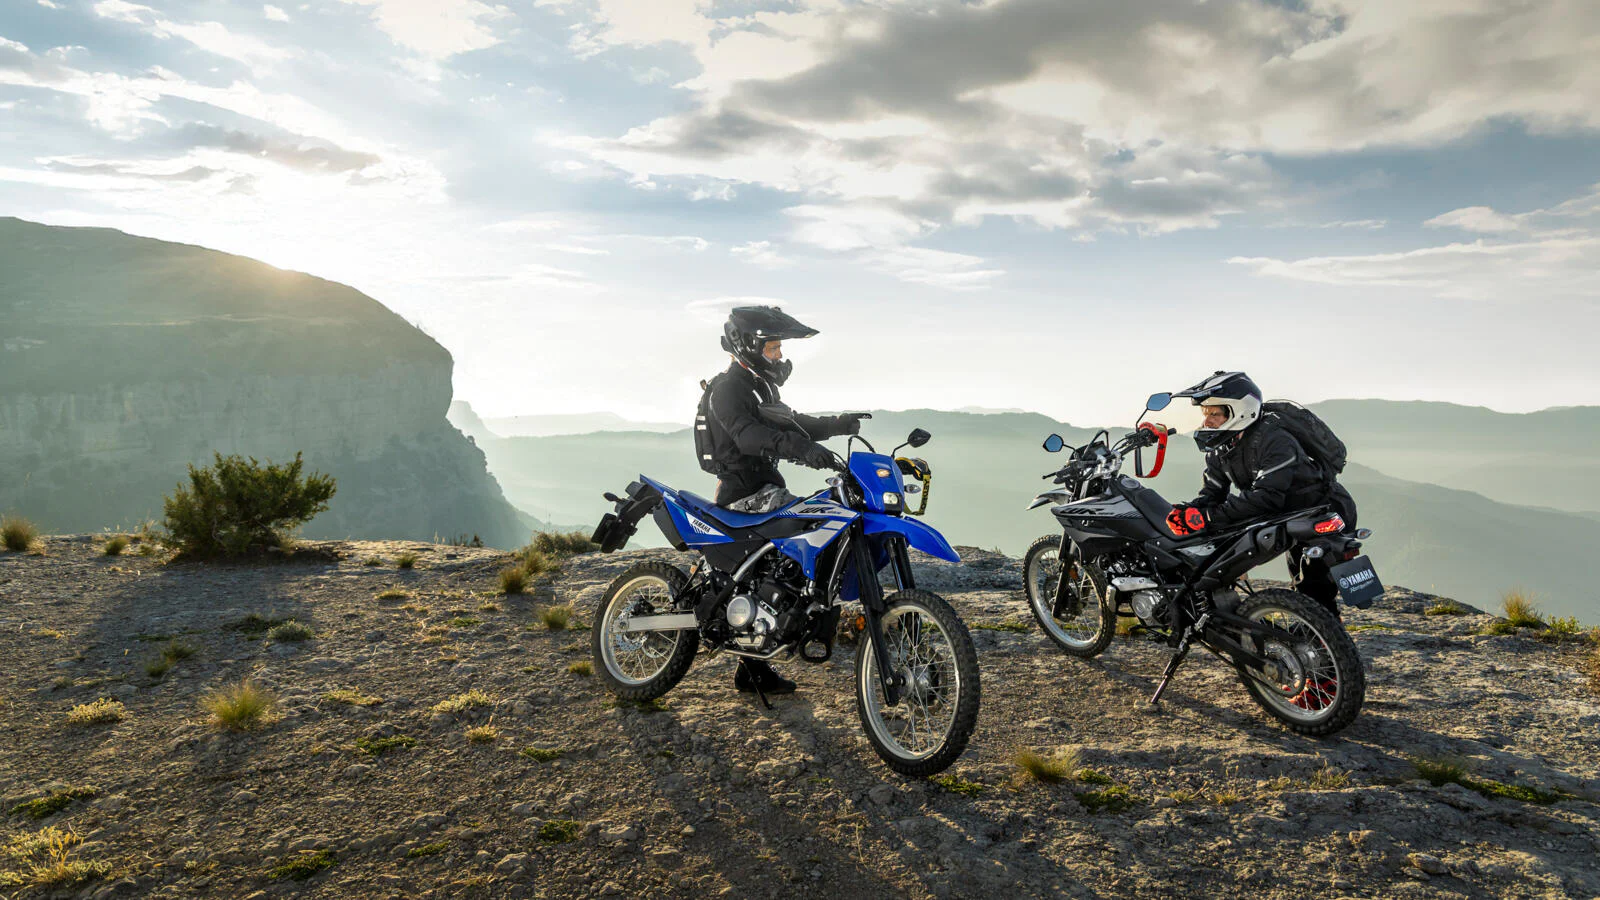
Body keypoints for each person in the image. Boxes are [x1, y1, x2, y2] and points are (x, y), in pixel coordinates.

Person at [699, 305, 867, 694]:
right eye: (773, 348)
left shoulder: (760, 386)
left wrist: (838, 424)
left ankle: (755, 663)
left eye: (778, 348)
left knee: (773, 571)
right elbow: (747, 436)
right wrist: (800, 449)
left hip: (764, 489)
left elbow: (793, 422)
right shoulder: (728, 389)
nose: (779, 355)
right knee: (816, 524)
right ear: (749, 346)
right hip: (744, 494)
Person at [1164, 371, 1357, 615]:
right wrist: (1190, 511)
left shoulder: (1274, 439)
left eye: (1214, 414)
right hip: (1286, 515)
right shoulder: (1221, 448)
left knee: (1313, 588)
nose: (1207, 422)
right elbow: (1213, 493)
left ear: (1239, 410)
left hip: (1323, 509)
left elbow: (1266, 498)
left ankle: (1326, 634)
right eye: (1205, 414)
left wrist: (1208, 517)